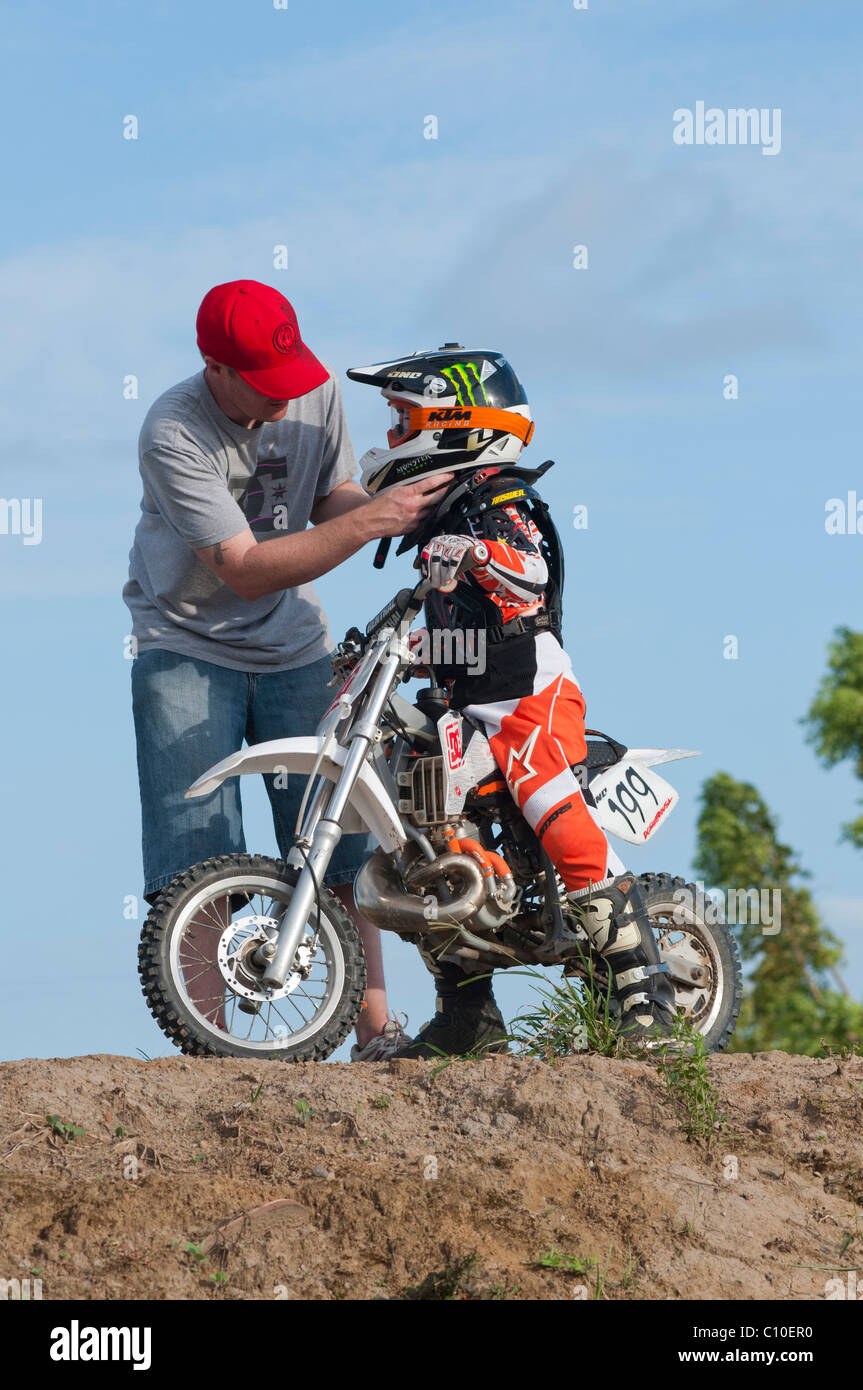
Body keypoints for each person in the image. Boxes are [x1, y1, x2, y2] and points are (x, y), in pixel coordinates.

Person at [124, 281, 451, 1060]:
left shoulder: (312, 390)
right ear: (215, 368)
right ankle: (213, 1050)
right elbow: (243, 568)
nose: (285, 397)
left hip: (294, 647)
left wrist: (405, 507)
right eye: (263, 386)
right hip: (185, 644)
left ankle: (374, 1032)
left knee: (336, 842)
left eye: (291, 377)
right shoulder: (172, 430)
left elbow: (333, 498)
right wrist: (375, 517)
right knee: (195, 852)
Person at [345, 345, 677, 1057]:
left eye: (404, 423)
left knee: (547, 802)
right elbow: (449, 637)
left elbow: (528, 574)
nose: (392, 439)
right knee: (421, 838)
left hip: (529, 697)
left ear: (456, 425)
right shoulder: (441, 522)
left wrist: (479, 554)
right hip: (464, 709)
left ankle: (646, 992)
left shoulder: (500, 503)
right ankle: (467, 1017)